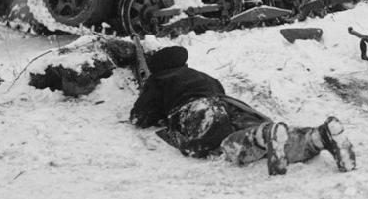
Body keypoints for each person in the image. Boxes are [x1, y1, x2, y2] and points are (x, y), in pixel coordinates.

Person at [130, 45, 356, 176]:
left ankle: (263, 135)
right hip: (231, 104)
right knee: (265, 134)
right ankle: (317, 137)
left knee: (222, 144)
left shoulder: (160, 79)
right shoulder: (203, 75)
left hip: (199, 109)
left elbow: (139, 118)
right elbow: (219, 93)